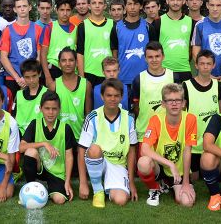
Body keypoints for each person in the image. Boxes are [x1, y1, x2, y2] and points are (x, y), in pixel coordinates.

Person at [77, 79, 138, 208]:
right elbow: (82, 149)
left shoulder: (129, 119)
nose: (112, 99)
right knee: (94, 149)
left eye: (116, 96)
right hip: (98, 160)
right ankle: (98, 190)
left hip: (118, 165)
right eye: (109, 95)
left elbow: (132, 151)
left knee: (121, 200)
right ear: (102, 96)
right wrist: (82, 182)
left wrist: (131, 182)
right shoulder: (92, 117)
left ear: (122, 97)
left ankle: (108, 186)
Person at [137, 83, 197, 207]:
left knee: (187, 202)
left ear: (183, 103)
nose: (174, 104)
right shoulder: (156, 119)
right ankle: (155, 188)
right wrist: (170, 164)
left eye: (177, 100)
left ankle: (169, 185)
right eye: (170, 100)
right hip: (161, 167)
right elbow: (144, 149)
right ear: (163, 104)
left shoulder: (190, 119)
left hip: (179, 172)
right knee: (143, 162)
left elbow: (187, 151)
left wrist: (186, 182)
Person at [20, 91, 75, 204]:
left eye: (54, 108)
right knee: (30, 151)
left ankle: (50, 188)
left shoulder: (66, 128)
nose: (50, 112)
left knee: (59, 200)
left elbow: (69, 156)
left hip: (57, 172)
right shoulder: (35, 124)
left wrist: (67, 181)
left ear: (59, 109)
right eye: (47, 108)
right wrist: (44, 143)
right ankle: (30, 188)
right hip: (40, 168)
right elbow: (22, 147)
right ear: (41, 108)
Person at [182, 50, 221, 179]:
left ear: (213, 65)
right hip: (193, 143)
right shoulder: (186, 85)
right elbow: (182, 113)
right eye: (202, 63)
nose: (205, 67)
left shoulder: (219, 86)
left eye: (208, 63)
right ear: (196, 65)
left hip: (212, 142)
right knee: (194, 178)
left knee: (214, 174)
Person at [0, 0, 43, 96]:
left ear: (30, 7)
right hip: (12, 78)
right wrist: (18, 78)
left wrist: (31, 77)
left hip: (33, 78)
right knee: (14, 110)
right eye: (19, 6)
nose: (22, 9)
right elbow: (3, 57)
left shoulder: (38, 29)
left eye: (24, 6)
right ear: (15, 9)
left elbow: (40, 55)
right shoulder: (8, 31)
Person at [149, 0, 194, 83]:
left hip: (185, 70)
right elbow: (152, 49)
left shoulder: (191, 22)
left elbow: (193, 47)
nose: (175, 2)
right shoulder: (158, 22)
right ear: (167, 1)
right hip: (164, 71)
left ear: (184, 1)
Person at [111, 0, 148, 103]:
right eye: (129, 4)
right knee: (126, 113)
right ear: (125, 6)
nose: (132, 7)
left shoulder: (148, 27)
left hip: (144, 78)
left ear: (141, 6)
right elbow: (115, 53)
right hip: (123, 78)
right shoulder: (117, 27)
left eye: (136, 4)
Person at [132, 41, 174, 142]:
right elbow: (136, 107)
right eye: (150, 57)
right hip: (145, 133)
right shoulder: (138, 79)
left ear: (163, 56)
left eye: (157, 56)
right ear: (145, 58)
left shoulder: (173, 77)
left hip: (168, 133)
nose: (154, 60)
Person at [48, 47, 91, 140]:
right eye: (64, 60)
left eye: (71, 60)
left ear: (76, 63)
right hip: (59, 138)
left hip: (80, 137)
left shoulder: (86, 84)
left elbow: (88, 114)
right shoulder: (53, 86)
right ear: (59, 64)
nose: (67, 63)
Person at [76, 0, 115, 87]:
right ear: (89, 6)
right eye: (94, 3)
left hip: (108, 73)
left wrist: (114, 71)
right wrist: (81, 76)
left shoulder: (112, 24)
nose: (97, 6)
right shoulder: (82, 25)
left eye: (100, 3)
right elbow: (80, 53)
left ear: (105, 6)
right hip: (89, 73)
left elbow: (115, 50)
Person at [40, 0, 77, 84]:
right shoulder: (49, 27)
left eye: (68, 10)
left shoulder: (76, 29)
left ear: (71, 11)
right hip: (53, 69)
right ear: (56, 10)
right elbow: (43, 55)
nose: (65, 13)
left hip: (70, 71)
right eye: (62, 10)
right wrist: (48, 77)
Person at [13, 59, 47, 134]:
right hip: (20, 136)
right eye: (27, 77)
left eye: (34, 76)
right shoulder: (18, 95)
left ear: (40, 74)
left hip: (40, 136)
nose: (31, 80)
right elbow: (14, 116)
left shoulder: (47, 93)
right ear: (23, 77)